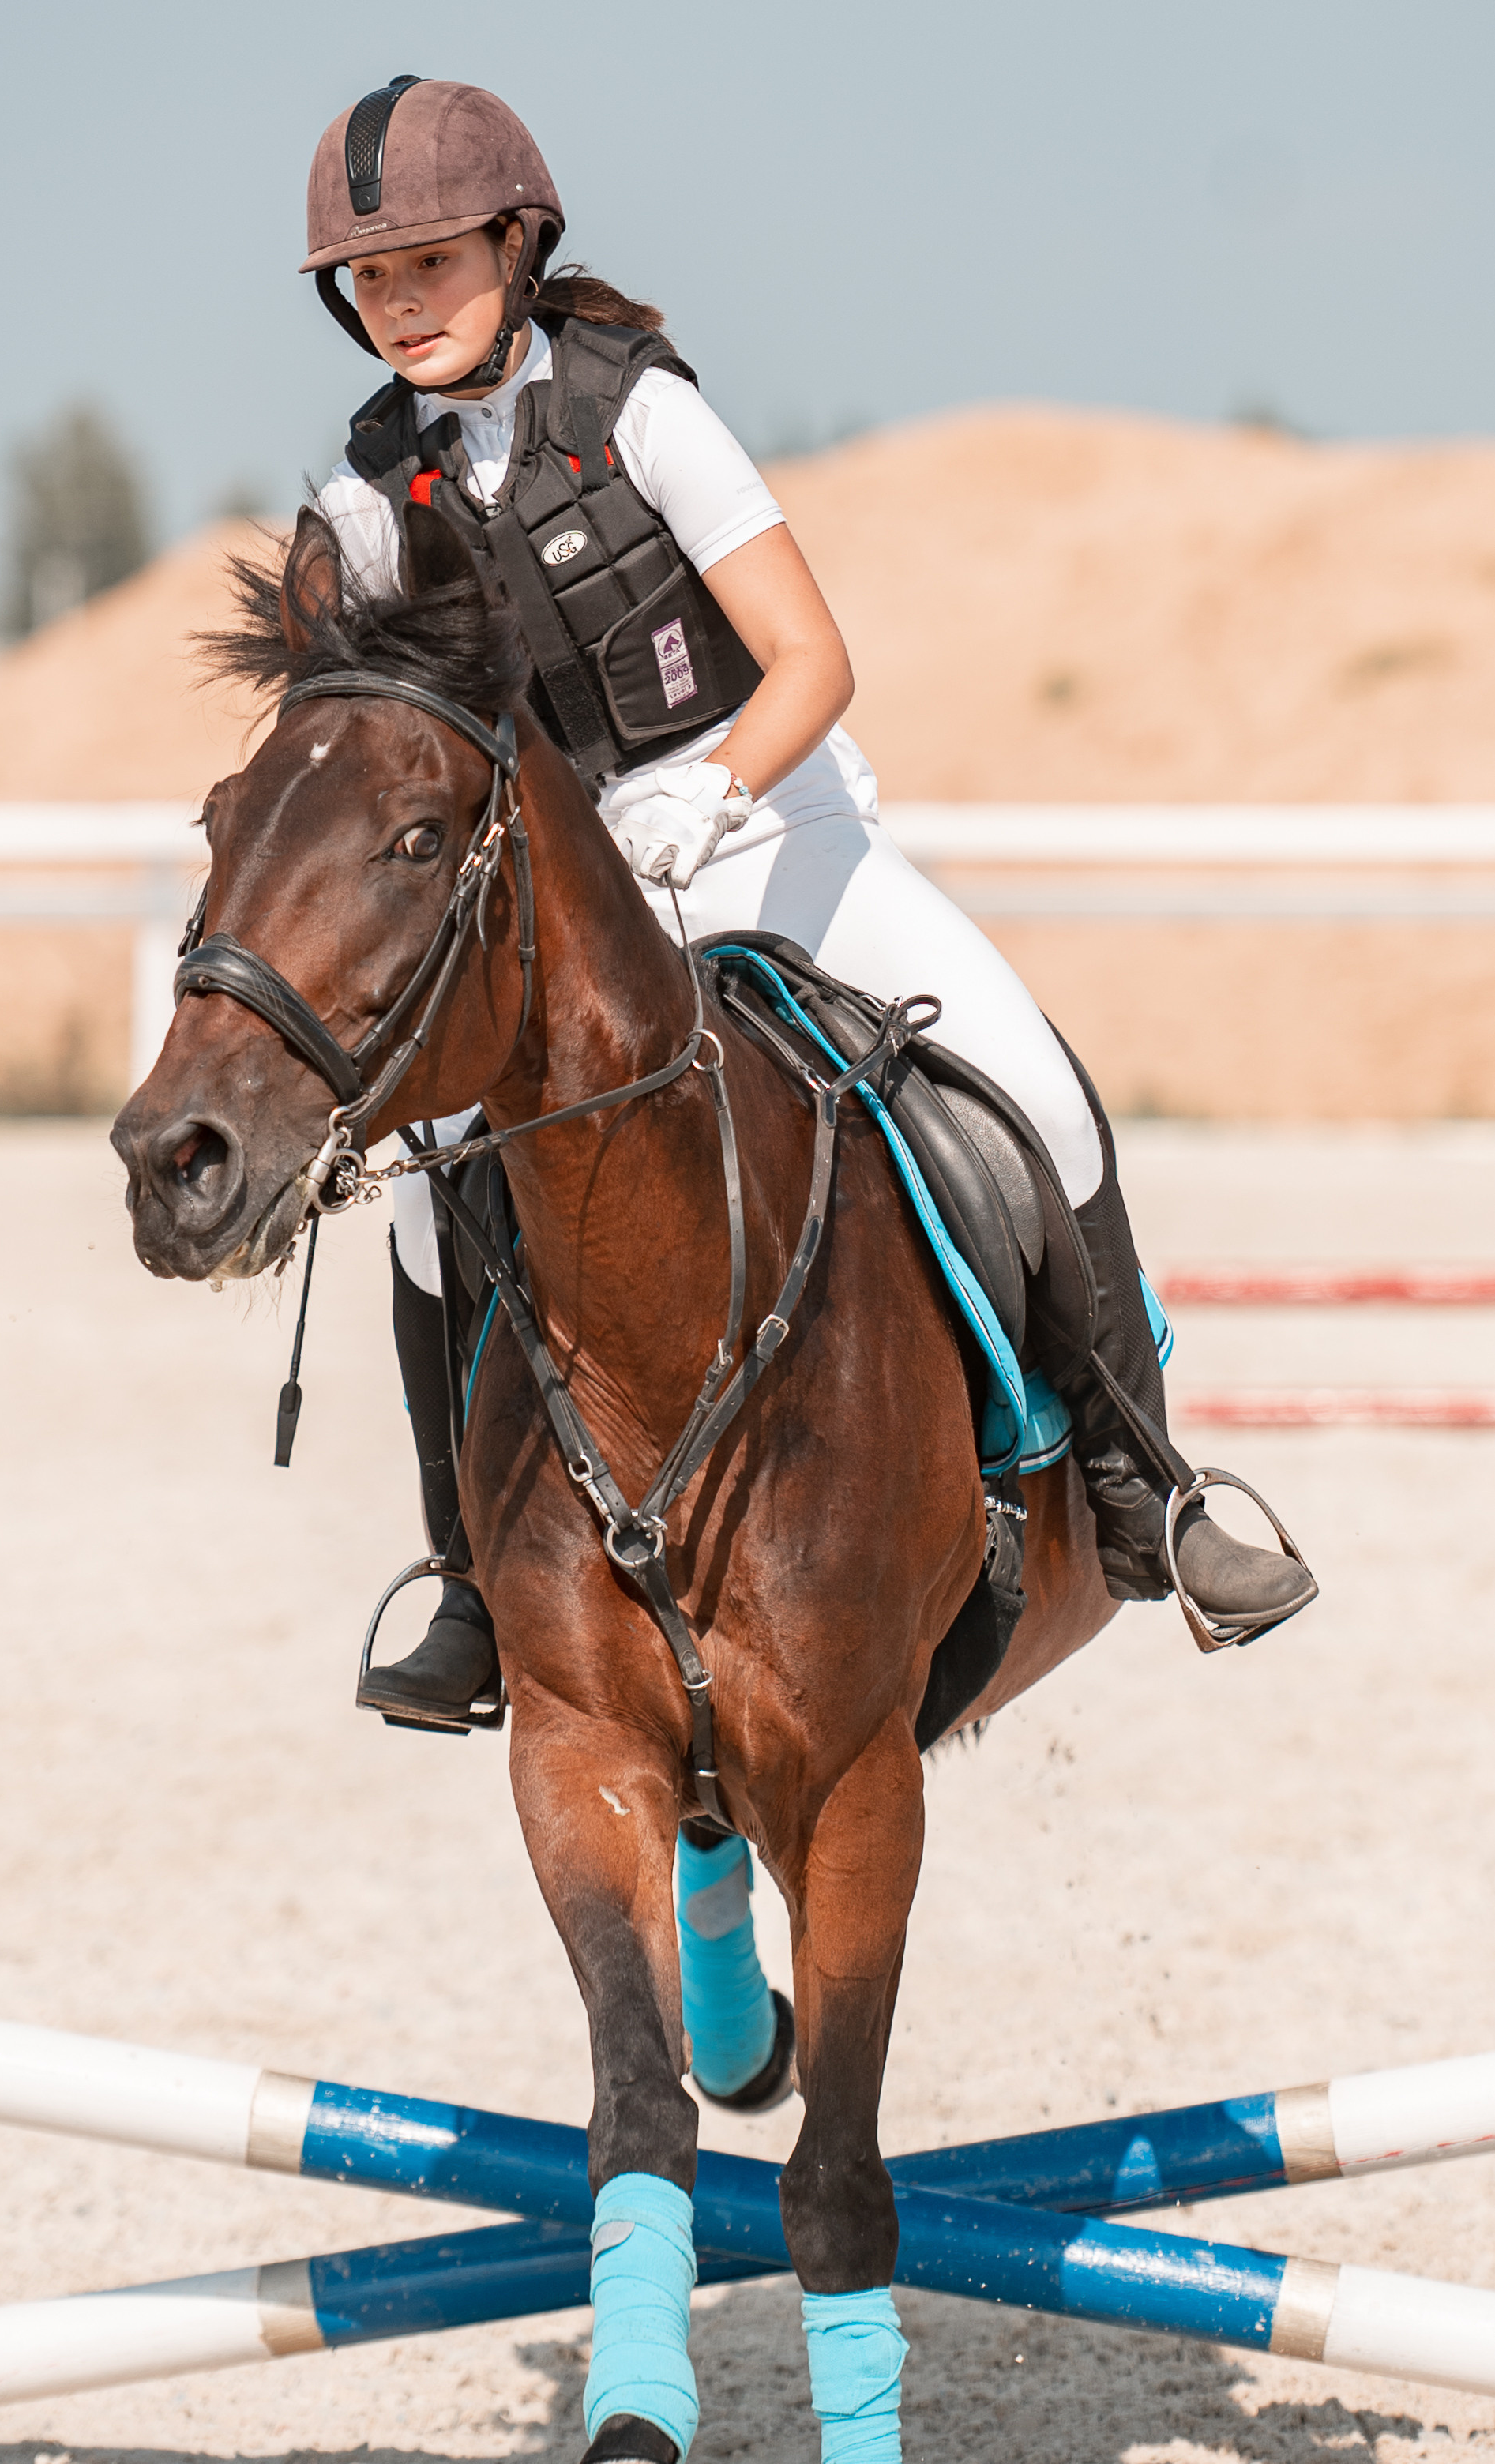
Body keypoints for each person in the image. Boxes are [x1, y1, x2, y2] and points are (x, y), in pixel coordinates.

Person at [296, 76, 1315, 1727]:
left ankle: (1148, 1488)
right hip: (563, 893)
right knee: (425, 1194)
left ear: (514, 244)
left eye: (429, 262)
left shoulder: (637, 410)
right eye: (370, 277)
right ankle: (469, 1582)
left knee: (1034, 1085)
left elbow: (810, 659)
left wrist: (706, 792)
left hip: (769, 821)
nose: (399, 302)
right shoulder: (363, 493)